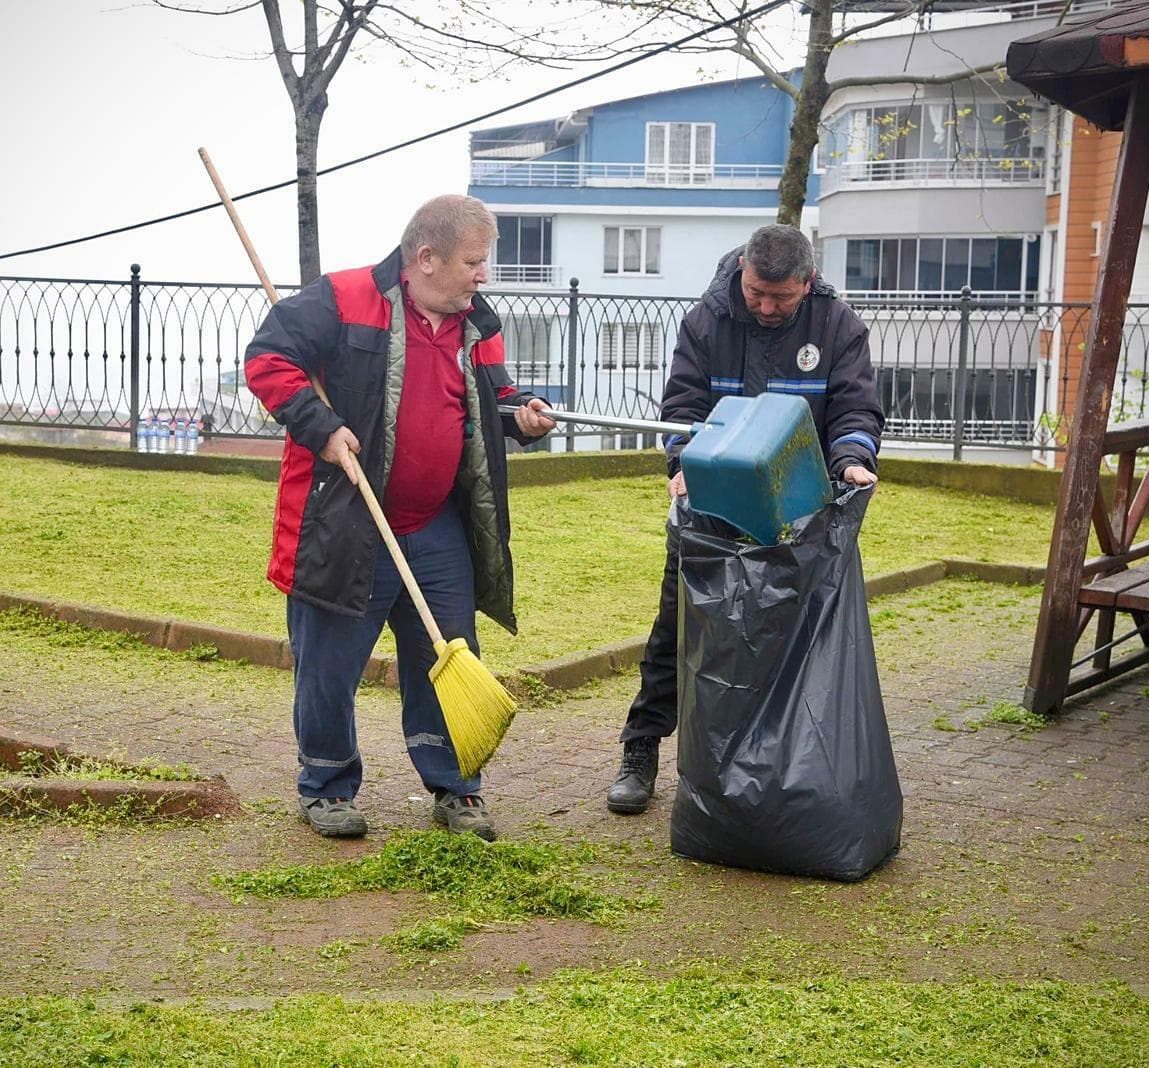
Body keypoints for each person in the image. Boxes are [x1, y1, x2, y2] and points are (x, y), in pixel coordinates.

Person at [244, 194, 555, 840]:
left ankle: (456, 788)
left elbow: (492, 399)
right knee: (329, 662)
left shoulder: (478, 325)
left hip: (435, 525)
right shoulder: (344, 298)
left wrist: (521, 413)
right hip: (349, 519)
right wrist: (321, 427)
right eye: (473, 262)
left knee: (447, 653)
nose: (482, 275)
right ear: (426, 258)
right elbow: (267, 360)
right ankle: (326, 786)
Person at [606, 223, 884, 815]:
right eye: (756, 292)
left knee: (792, 638)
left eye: (780, 298)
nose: (764, 306)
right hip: (711, 504)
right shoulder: (706, 320)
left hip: (798, 512)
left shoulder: (838, 327)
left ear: (806, 284)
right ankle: (641, 749)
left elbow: (855, 409)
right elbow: (682, 406)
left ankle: (777, 767)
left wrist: (854, 461)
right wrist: (683, 462)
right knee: (679, 628)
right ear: (743, 273)